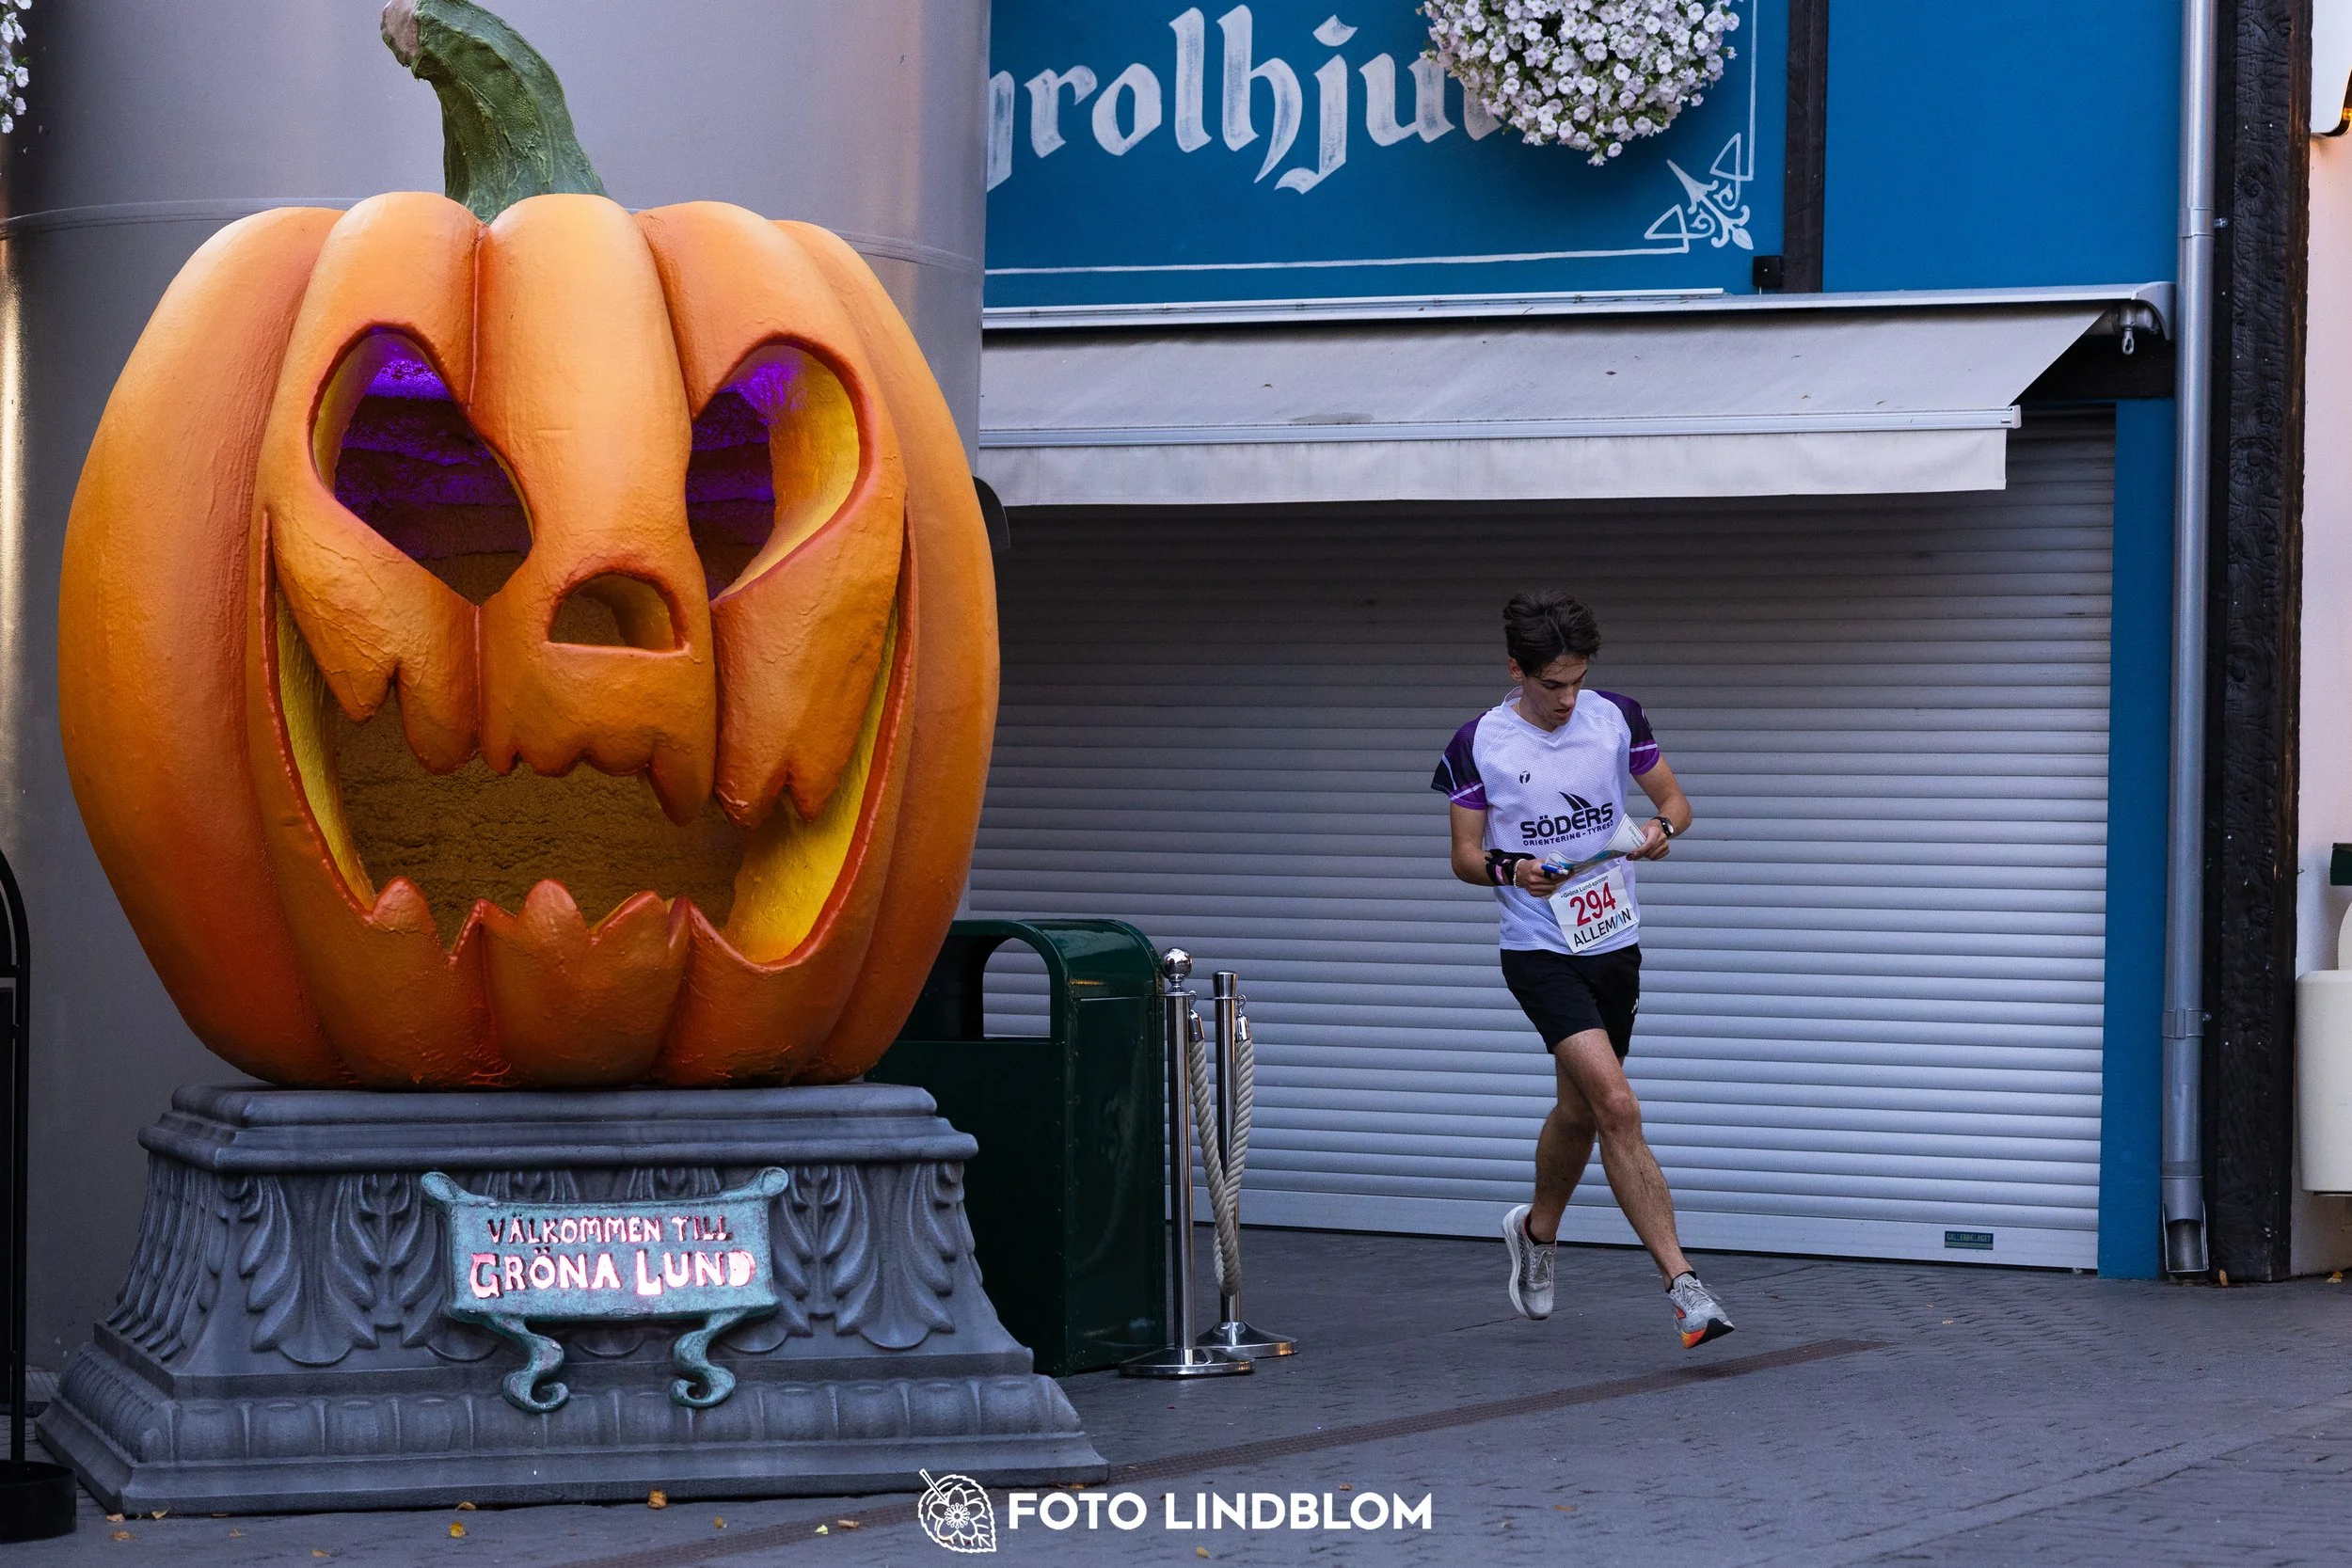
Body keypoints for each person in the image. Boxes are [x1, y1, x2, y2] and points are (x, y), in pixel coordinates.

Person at [1430, 590, 1734, 1350]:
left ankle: (1535, 1232)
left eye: (1577, 680)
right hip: (1537, 948)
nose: (1568, 698)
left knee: (1579, 1109)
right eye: (1551, 684)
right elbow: (1466, 857)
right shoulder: (1478, 743)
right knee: (1618, 1104)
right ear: (1516, 670)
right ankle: (1685, 1286)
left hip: (1613, 939)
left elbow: (1675, 801)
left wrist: (1662, 828)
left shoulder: (1617, 716)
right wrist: (1513, 867)